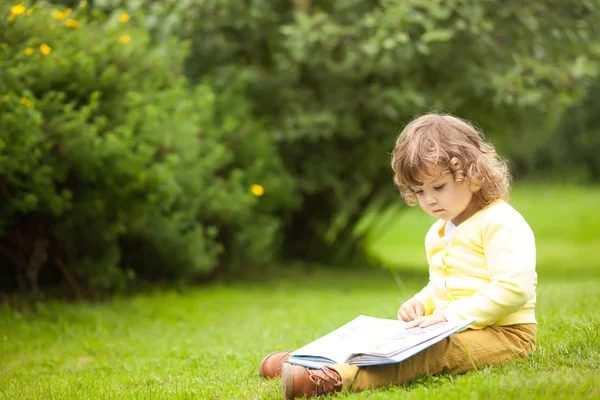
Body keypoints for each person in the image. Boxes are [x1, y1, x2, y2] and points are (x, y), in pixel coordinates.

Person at [258, 113, 538, 399]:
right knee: (387, 338)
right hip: (452, 327)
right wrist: (421, 302)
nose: (429, 200)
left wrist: (450, 317)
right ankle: (313, 359)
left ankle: (334, 378)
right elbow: (440, 285)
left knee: (433, 353)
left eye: (438, 187)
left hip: (506, 334)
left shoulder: (500, 221)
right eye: (419, 191)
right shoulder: (439, 232)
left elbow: (514, 289)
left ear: (472, 174)